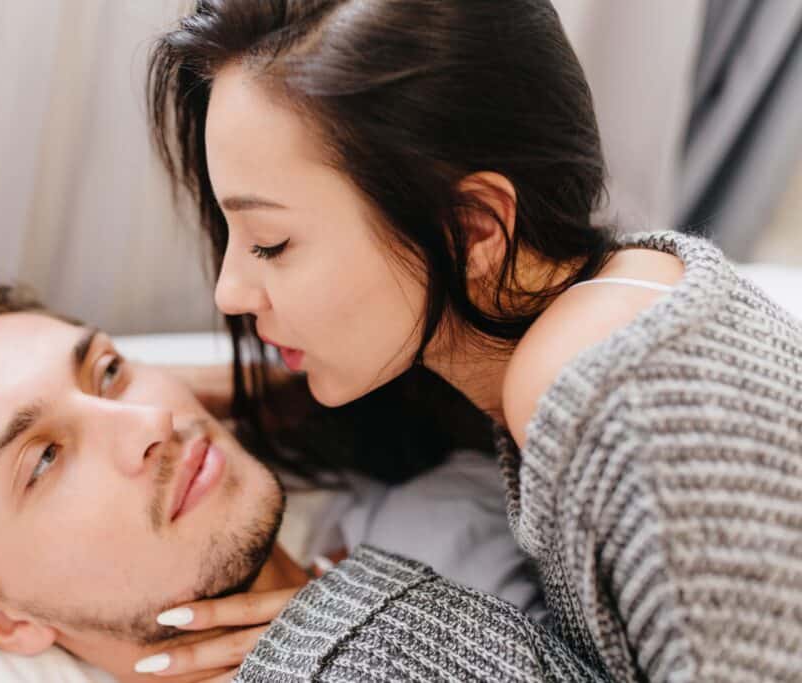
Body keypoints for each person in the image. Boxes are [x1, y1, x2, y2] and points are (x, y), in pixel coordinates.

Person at [147, 1, 802, 681]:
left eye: (270, 243)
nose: (230, 291)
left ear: (474, 230)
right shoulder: (611, 312)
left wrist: (360, 634)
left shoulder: (603, 393)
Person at [0, 251, 599, 682]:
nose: (150, 422)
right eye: (42, 460)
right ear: (3, 621)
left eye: (108, 371)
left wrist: (287, 388)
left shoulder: (433, 505)